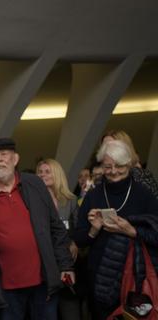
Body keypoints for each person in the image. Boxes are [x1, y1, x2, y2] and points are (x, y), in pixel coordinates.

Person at [0, 138, 74, 320]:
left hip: (43, 281)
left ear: (15, 159)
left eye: (4, 155)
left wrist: (65, 264)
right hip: (6, 286)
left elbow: (56, 228)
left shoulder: (34, 184)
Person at [73, 139, 158, 319]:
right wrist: (93, 230)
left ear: (128, 164)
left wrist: (131, 231)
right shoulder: (93, 195)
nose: (113, 171)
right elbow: (79, 239)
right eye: (107, 166)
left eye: (119, 166)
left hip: (135, 278)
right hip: (100, 279)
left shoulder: (143, 194)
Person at [36, 158, 81, 320]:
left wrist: (74, 242)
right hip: (44, 266)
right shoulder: (33, 202)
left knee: (70, 311)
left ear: (57, 174)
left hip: (68, 263)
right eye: (40, 172)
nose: (42, 175)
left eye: (47, 172)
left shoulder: (70, 201)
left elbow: (78, 228)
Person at [101, 129, 158, 200]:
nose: (107, 151)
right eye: (104, 147)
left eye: (112, 146)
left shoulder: (140, 176)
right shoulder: (102, 178)